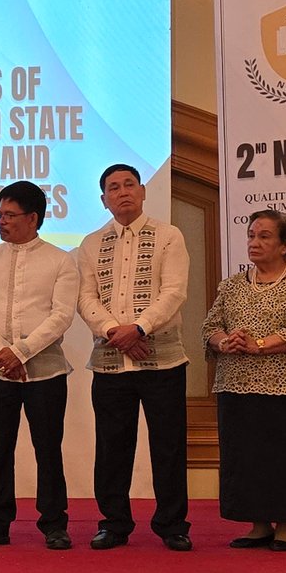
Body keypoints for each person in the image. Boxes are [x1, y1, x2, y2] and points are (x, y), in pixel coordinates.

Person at [77, 163, 193, 551]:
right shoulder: (91, 243)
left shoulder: (168, 236)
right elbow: (86, 298)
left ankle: (172, 525)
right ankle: (114, 523)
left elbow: (174, 292)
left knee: (168, 447)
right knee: (112, 447)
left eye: (129, 184)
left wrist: (139, 328)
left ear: (142, 192)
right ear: (103, 199)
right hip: (110, 363)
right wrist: (116, 331)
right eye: (114, 187)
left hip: (163, 362)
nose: (123, 191)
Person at [203, 210, 286, 552]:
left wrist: (257, 344)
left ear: (285, 244)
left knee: (285, 457)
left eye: (264, 236)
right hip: (236, 385)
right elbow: (210, 327)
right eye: (251, 235)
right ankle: (258, 525)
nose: (254, 242)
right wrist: (224, 342)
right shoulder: (231, 285)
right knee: (246, 457)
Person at [0, 180, 81, 550]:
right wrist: (1, 351)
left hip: (46, 372)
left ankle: (54, 524)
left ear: (33, 218)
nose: (1, 221)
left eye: (10, 215)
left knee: (48, 448)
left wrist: (21, 351)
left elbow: (61, 316)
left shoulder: (60, 260)